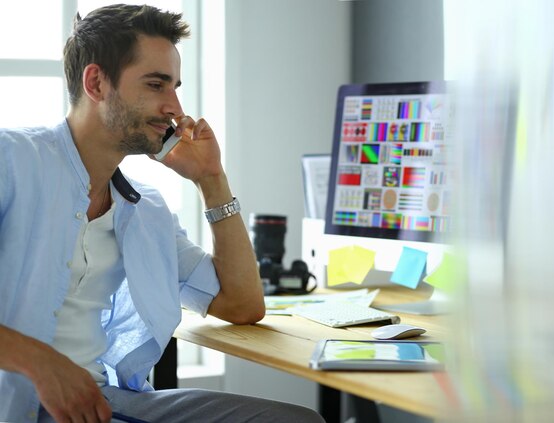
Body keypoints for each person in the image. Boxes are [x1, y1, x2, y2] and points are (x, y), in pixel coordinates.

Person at [0, 4, 324, 423]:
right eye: (156, 84)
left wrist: (211, 179)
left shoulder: (144, 209)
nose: (174, 107)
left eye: (176, 87)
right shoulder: (12, 161)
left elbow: (241, 305)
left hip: (103, 403)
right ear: (96, 82)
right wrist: (39, 361)